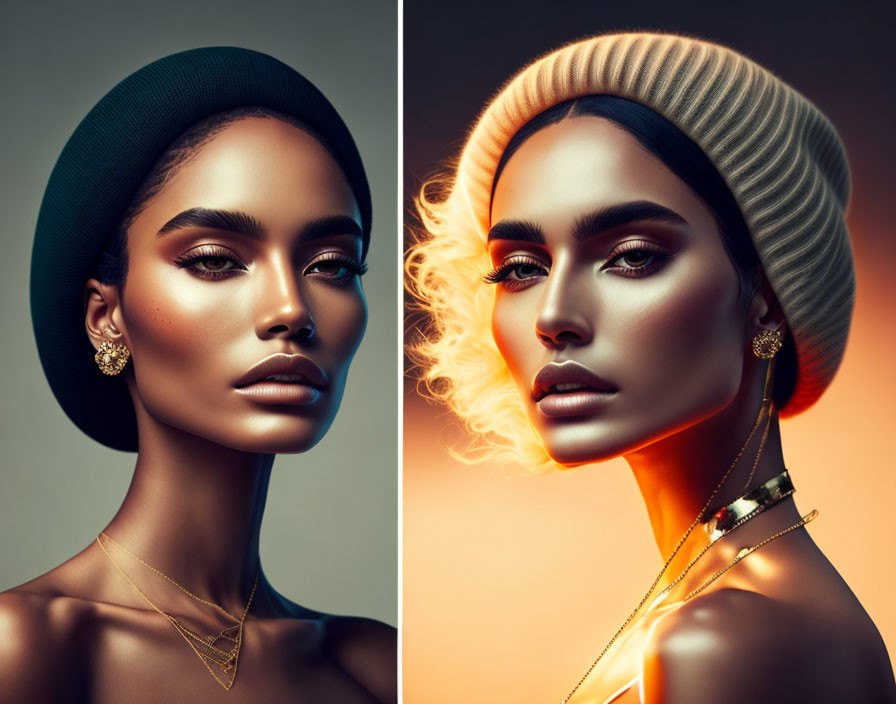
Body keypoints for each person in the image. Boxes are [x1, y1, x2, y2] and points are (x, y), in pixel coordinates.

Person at [407, 32, 895, 703]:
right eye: (521, 268)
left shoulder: (722, 641)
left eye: (631, 256)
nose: (553, 314)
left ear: (767, 299)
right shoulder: (744, 598)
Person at [0, 48, 395, 703]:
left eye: (332, 265)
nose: (291, 309)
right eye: (215, 261)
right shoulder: (30, 649)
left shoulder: (379, 667)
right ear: (107, 318)